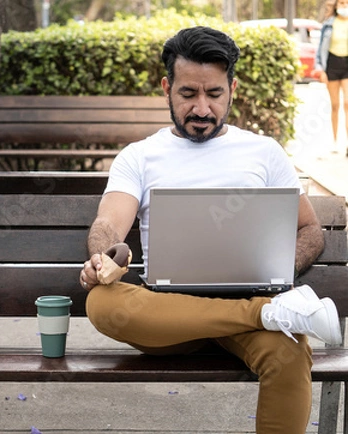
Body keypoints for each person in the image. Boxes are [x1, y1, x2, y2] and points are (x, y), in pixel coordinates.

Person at [80, 26, 342, 434]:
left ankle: (264, 312)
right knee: (102, 303)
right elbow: (108, 223)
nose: (201, 108)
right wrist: (104, 256)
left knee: (289, 354)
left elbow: (310, 229)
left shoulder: (264, 152)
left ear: (232, 89)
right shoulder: (140, 156)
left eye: (214, 94)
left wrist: (277, 265)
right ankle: (265, 315)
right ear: (167, 88)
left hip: (253, 294)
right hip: (170, 315)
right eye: (188, 94)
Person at [315, 0, 348, 156]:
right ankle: (335, 142)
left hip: (347, 65)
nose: (344, 6)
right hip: (332, 66)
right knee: (335, 105)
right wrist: (320, 69)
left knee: (347, 104)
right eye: (341, 3)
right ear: (336, 5)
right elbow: (320, 48)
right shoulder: (329, 24)